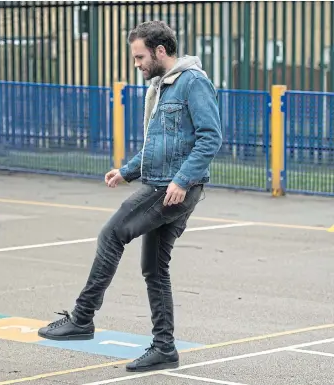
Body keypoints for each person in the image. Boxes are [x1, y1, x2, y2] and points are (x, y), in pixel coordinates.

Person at [37, 20, 222, 372]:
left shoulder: (192, 83)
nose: (136, 64)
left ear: (160, 51)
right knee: (154, 267)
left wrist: (182, 181)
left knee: (112, 233)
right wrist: (126, 171)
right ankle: (164, 346)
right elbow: (161, 145)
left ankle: (83, 317)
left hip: (171, 188)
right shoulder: (162, 87)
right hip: (163, 182)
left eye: (140, 57)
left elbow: (210, 138)